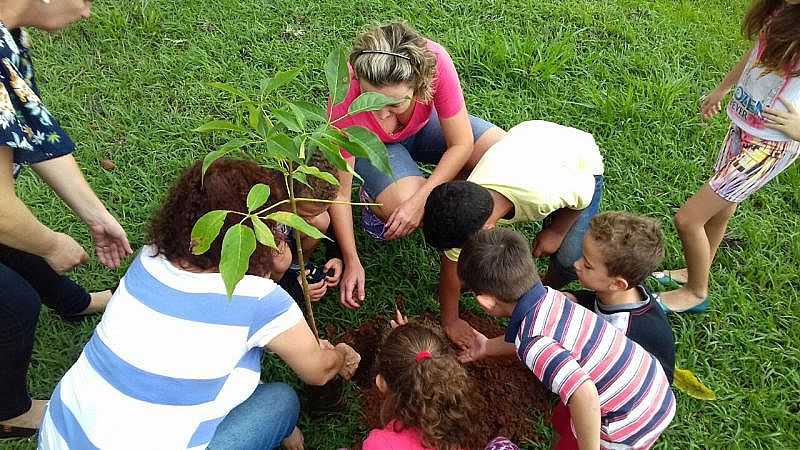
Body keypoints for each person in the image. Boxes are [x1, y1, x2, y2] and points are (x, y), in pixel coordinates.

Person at [37, 159, 362, 450]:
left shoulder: (149, 258)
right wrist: (339, 355)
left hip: (59, 435)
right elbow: (318, 371)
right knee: (281, 402)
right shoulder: (258, 298)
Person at [0, 0, 133, 439]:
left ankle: (73, 303)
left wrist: (94, 215)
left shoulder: (7, 31)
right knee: (14, 301)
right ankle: (10, 411)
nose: (87, 11)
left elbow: (35, 130)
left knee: (20, 248)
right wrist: (52, 244)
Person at [327, 22, 506, 309]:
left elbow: (461, 144)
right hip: (377, 149)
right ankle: (378, 194)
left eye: (395, 104)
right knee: (403, 205)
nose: (382, 114)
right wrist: (352, 260)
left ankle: (442, 193)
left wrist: (422, 199)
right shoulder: (344, 93)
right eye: (370, 100)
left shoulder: (435, 62)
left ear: (420, 84)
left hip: (424, 128)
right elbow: (339, 192)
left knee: (502, 152)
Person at [458, 229, 675, 450]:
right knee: (565, 417)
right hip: (645, 380)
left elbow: (584, 394)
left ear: (486, 302)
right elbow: (533, 342)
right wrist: (486, 346)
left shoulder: (534, 342)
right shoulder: (549, 298)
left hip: (629, 417)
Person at [657, 0, 800, 312]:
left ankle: (696, 292)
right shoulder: (781, 10)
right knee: (720, 211)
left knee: (688, 218)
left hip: (771, 145)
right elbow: (755, 55)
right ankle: (694, 270)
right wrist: (722, 89)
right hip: (741, 127)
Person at [422, 120, 604, 347]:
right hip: (527, 141)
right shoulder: (468, 203)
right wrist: (451, 320)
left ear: (487, 229)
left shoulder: (541, 196)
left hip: (580, 165)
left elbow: (583, 195)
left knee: (569, 257)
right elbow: (449, 267)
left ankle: (547, 291)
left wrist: (557, 231)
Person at [363, 313, 519, 450]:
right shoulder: (456, 418)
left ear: (381, 383)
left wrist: (404, 353)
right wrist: (411, 349)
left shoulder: (378, 443)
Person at [571, 212, 675, 383]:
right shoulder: (620, 293)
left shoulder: (621, 331)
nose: (576, 264)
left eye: (587, 265)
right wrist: (573, 297)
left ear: (618, 284)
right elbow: (595, 304)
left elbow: (598, 371)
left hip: (633, 391)